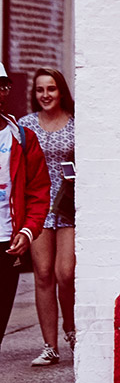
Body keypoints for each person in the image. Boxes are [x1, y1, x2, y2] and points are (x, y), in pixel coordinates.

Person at [19, 68, 76, 365]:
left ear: (61, 91)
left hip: (68, 207)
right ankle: (50, 346)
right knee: (42, 275)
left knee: (65, 274)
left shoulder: (76, 125)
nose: (45, 95)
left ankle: (71, 329)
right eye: (40, 90)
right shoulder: (25, 126)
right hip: (37, 207)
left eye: (51, 89)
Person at [0, 64, 53, 362]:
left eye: (1, 86)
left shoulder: (21, 137)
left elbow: (37, 191)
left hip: (7, 243)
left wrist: (27, 230)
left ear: (6, 92)